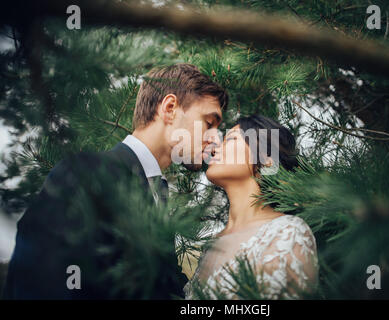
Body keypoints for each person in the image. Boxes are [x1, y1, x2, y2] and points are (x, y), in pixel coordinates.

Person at [3, 63, 228, 299]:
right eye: (209, 123)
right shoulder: (87, 174)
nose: (214, 139)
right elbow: (42, 278)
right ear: (170, 108)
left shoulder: (157, 194)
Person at [184, 115, 318, 299]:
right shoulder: (210, 246)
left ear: (266, 159)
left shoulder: (287, 232)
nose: (214, 149)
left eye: (230, 139)